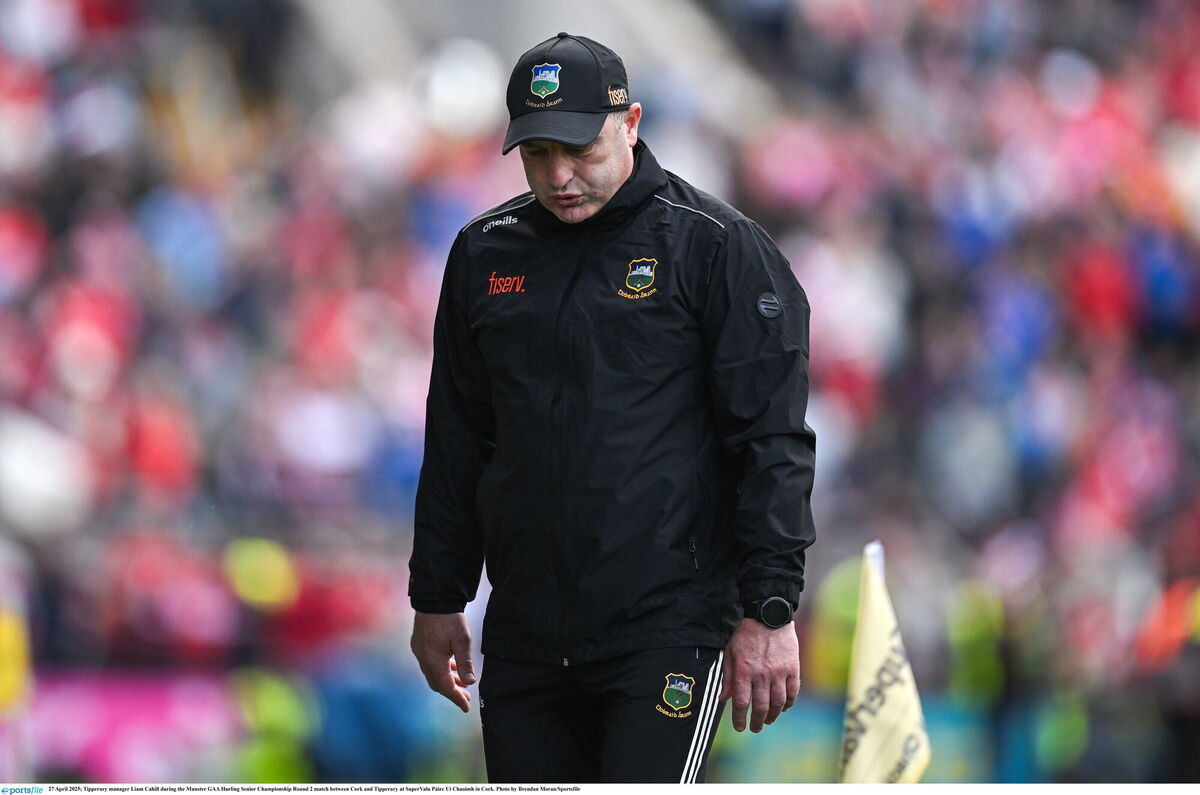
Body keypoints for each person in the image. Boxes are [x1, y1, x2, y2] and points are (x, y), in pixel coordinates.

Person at [408, 32, 816, 784]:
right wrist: (437, 596)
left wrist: (771, 605)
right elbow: (458, 436)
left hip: (668, 628)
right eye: (537, 156)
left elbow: (772, 440)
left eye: (580, 150)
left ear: (630, 123)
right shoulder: (483, 254)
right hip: (528, 632)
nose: (559, 176)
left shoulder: (717, 248)